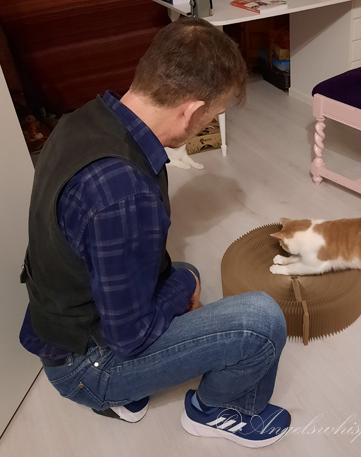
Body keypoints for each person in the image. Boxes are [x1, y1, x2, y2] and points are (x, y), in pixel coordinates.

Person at [19, 18, 290, 448]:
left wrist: (180, 281)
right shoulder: (123, 192)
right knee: (261, 321)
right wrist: (184, 286)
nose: (207, 124)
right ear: (191, 111)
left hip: (62, 325)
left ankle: (128, 394)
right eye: (212, 116)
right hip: (87, 366)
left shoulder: (83, 119)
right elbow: (129, 338)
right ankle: (220, 411)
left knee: (181, 271)